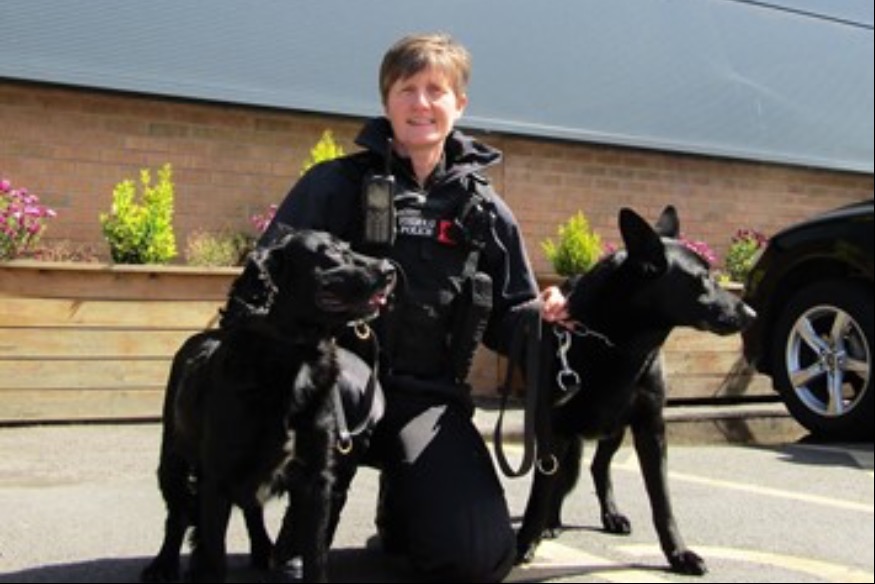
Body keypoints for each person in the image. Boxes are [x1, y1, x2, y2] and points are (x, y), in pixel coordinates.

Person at [259, 32, 567, 583]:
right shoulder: (333, 185)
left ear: (459, 104)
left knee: (478, 558)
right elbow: (266, 276)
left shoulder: (486, 211)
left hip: (429, 397)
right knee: (338, 393)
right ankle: (302, 539)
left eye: (435, 90)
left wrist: (541, 317)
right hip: (341, 381)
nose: (420, 103)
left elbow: (509, 316)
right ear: (386, 101)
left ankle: (403, 509)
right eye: (406, 89)